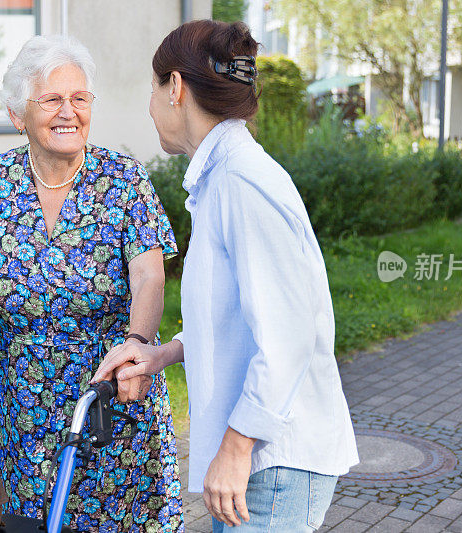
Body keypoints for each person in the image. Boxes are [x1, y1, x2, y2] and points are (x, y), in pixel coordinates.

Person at [0, 35, 184, 532]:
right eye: (52, 99)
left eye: (80, 98)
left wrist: (137, 342)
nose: (69, 112)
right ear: (19, 114)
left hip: (111, 392)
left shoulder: (125, 180)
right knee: (32, 521)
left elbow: (148, 273)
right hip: (27, 406)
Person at [93, 20, 359, 532]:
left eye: (152, 90)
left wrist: (236, 448)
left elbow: (289, 335)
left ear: (176, 88)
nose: (150, 107)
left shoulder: (242, 183)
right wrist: (161, 354)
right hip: (260, 462)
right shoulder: (223, 179)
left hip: (270, 464)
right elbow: (238, 317)